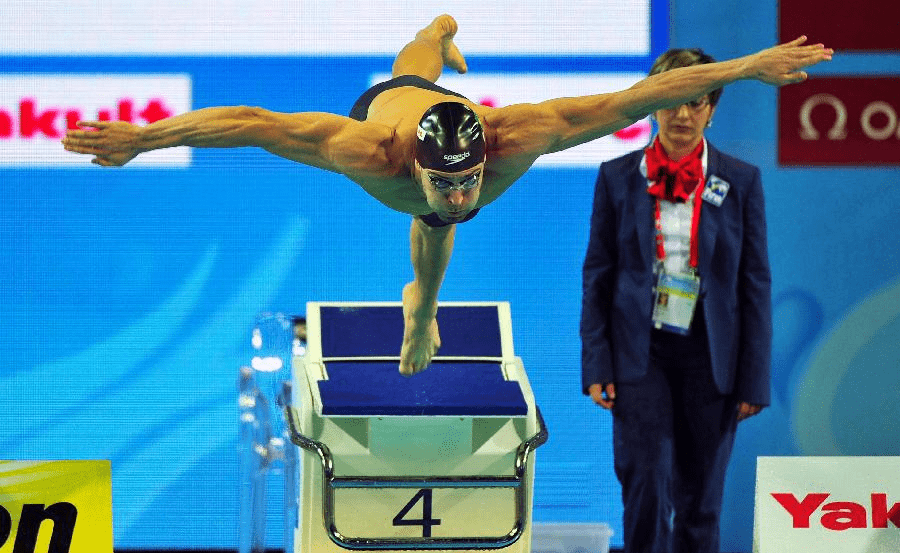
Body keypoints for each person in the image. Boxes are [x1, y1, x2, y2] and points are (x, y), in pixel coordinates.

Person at [61, 15, 830, 377]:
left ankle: (422, 302)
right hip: (397, 104)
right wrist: (145, 137)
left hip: (447, 124)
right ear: (420, 167)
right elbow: (253, 123)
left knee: (436, 222)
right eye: (447, 184)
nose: (461, 196)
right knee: (415, 71)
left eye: (467, 183)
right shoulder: (370, 148)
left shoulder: (519, 134)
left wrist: (747, 65)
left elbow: (640, 96)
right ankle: (439, 30)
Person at [581, 47, 775, 553]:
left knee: (701, 497)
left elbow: (755, 283)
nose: (682, 114)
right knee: (645, 484)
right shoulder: (615, 177)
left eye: (696, 101)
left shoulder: (741, 180)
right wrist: (596, 363)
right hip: (638, 353)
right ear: (651, 104)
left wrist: (754, 377)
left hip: (712, 356)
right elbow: (598, 276)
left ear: (712, 109)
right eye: (671, 100)